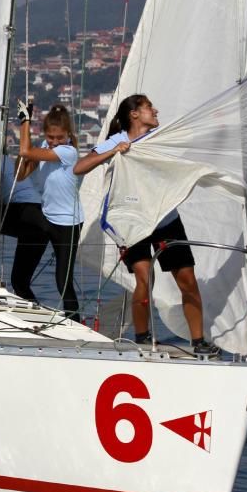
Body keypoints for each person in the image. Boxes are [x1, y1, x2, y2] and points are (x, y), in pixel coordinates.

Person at [73, 93, 217, 356]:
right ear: (134, 114)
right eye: (150, 107)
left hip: (166, 220)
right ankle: (142, 335)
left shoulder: (161, 139)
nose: (156, 110)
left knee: (187, 280)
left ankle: (199, 340)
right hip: (132, 222)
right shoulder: (118, 140)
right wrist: (114, 151)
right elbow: (80, 167)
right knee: (144, 277)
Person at [15, 101, 83, 321]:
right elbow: (20, 175)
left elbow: (26, 150)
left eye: (59, 138)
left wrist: (25, 121)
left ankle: (75, 323)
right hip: (47, 219)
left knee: (63, 281)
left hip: (68, 224)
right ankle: (29, 308)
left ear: (67, 135)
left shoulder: (68, 151)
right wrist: (27, 155)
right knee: (20, 278)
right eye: (51, 138)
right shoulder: (45, 147)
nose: (54, 142)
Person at [0, 146, 47, 302]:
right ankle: (35, 314)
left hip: (24, 212)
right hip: (41, 218)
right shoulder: (8, 161)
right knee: (20, 283)